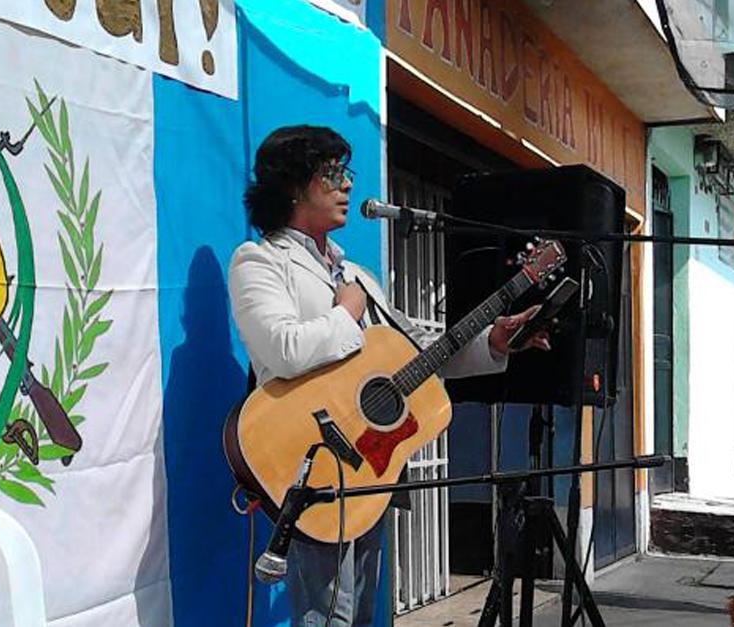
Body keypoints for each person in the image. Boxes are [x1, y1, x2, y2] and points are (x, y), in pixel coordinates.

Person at [228, 125, 549, 626]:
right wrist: (345, 315)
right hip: (312, 461)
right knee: (325, 619)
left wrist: (492, 342)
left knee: (358, 617)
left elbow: (418, 354)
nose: (347, 186)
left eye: (345, 172)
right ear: (293, 186)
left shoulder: (357, 276)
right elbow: (283, 350)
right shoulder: (260, 262)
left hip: (369, 468)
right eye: (332, 174)